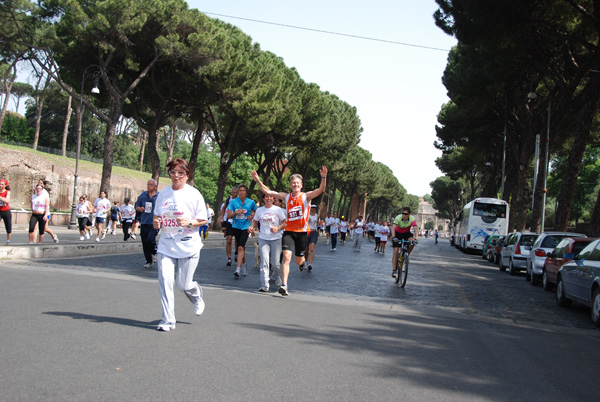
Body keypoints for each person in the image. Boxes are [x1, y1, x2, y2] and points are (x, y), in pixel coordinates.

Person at [251, 166, 327, 296]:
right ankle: (284, 286)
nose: (295, 184)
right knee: (286, 257)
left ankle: (302, 262)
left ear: (301, 185)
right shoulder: (286, 197)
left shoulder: (306, 196)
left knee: (298, 260)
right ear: (290, 185)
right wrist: (257, 180)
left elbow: (321, 189)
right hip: (289, 232)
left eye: (298, 183)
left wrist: (323, 177)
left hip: (302, 232)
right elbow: (267, 191)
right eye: (293, 183)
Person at [152, 158, 208, 332]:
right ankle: (168, 320)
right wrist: (156, 222)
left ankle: (196, 295)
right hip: (166, 245)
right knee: (165, 281)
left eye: (180, 173)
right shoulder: (163, 194)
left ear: (187, 175)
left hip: (188, 245)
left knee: (183, 284)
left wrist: (189, 223)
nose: (176, 176)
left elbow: (203, 219)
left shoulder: (193, 194)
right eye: (173, 172)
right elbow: (156, 216)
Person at [250, 194, 286, 292]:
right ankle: (264, 285)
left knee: (275, 263)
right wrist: (251, 227)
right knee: (264, 262)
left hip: (276, 238)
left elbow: (284, 222)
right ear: (263, 199)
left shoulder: (278, 210)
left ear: (273, 199)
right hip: (263, 238)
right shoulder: (259, 210)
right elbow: (254, 221)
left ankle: (277, 276)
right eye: (266, 196)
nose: (269, 198)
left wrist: (277, 228)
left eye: (271, 197)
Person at [227, 184, 257, 278]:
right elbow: (228, 215)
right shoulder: (233, 202)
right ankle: (244, 264)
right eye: (240, 190)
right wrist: (236, 212)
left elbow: (257, 212)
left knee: (240, 247)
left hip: (246, 227)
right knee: (240, 247)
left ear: (246, 192)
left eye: (243, 190)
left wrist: (252, 217)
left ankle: (238, 269)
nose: (241, 192)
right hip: (236, 226)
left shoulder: (251, 202)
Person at [135, 179, 160, 269]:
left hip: (155, 222)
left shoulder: (159, 196)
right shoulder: (143, 195)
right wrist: (139, 209)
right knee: (145, 242)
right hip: (144, 221)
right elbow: (136, 206)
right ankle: (149, 261)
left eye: (151, 185)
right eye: (148, 184)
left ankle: (155, 251)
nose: (149, 186)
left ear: (155, 186)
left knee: (150, 239)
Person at [391, 207, 419, 278]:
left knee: (412, 243)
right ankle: (394, 270)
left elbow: (416, 229)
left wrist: (416, 239)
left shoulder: (412, 219)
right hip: (398, 233)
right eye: (403, 213)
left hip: (407, 233)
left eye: (406, 214)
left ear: (409, 214)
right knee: (396, 251)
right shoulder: (398, 217)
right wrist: (394, 237)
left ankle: (406, 256)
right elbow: (393, 228)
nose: (404, 215)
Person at [220, 186, 238, 266]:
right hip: (229, 221)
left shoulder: (240, 200)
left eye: (236, 193)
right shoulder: (228, 200)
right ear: (231, 193)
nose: (234, 194)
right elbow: (223, 208)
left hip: (237, 222)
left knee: (237, 240)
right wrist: (222, 217)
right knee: (229, 239)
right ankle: (229, 258)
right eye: (233, 193)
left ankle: (237, 252)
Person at [305, 204, 319, 270]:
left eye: (315, 208)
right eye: (312, 208)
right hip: (307, 232)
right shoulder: (307, 215)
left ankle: (310, 264)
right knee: (306, 250)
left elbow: (318, 223)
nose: (314, 209)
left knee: (312, 249)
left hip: (314, 232)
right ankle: (305, 262)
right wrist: (307, 221)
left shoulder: (316, 216)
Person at [0, 179, 12, 244]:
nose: (0, 185)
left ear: (5, 185)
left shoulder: (7, 192)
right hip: (0, 211)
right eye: (0, 184)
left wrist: (1, 198)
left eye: (2, 184)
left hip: (6, 211)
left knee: (8, 225)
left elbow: (7, 200)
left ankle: (8, 240)